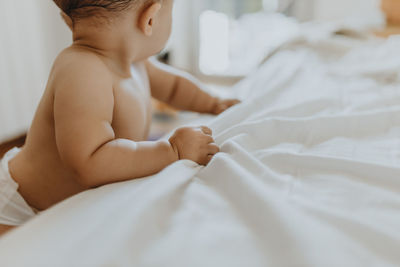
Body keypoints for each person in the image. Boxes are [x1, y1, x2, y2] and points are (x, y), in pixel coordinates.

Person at [0, 0, 240, 236]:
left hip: (58, 204)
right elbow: (90, 161)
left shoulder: (134, 62)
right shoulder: (82, 72)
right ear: (150, 19)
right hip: (19, 207)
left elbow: (175, 87)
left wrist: (213, 103)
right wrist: (172, 151)